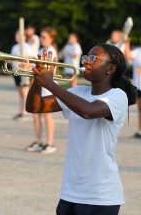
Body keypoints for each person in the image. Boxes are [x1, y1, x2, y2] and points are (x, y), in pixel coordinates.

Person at [26, 43, 136, 215]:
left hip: (101, 197)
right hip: (70, 193)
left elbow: (89, 111)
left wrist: (51, 84)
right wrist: (37, 80)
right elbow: (35, 106)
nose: (86, 62)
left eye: (93, 58)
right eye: (85, 58)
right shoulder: (78, 92)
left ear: (110, 68)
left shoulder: (117, 96)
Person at [27, 27, 58, 153]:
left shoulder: (51, 51)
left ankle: (50, 143)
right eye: (41, 36)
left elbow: (49, 70)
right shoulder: (41, 50)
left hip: (48, 86)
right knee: (36, 114)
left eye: (44, 37)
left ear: (51, 39)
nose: (41, 39)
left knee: (47, 115)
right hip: (39, 84)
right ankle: (38, 141)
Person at [11, 30, 33, 120]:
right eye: (16, 35)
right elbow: (12, 58)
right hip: (16, 72)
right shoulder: (15, 47)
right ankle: (21, 111)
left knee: (24, 92)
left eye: (18, 35)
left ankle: (25, 112)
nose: (16, 36)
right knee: (20, 93)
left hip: (24, 72)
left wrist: (25, 61)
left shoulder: (27, 47)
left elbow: (31, 58)